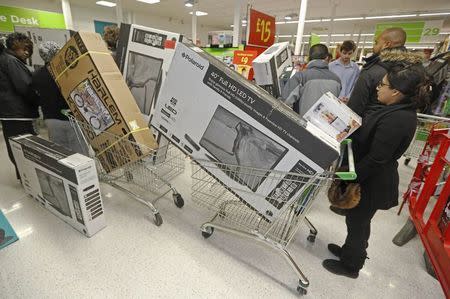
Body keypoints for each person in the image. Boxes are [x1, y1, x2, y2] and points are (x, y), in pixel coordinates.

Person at [322, 61, 432, 279]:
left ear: (396, 92)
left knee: (358, 223)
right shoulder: (392, 109)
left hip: (372, 181)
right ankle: (349, 251)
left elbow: (376, 160)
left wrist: (346, 177)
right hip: (368, 175)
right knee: (355, 220)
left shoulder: (398, 120)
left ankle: (351, 265)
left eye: (382, 85)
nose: (377, 88)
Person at [31, 41, 85, 154]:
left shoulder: (36, 75)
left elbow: (36, 95)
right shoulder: (66, 72)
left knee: (60, 153)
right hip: (71, 118)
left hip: (51, 119)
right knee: (80, 154)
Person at [0, 33, 38, 180]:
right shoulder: (12, 61)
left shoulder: (4, 59)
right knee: (26, 148)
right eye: (24, 49)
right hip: (19, 113)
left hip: (8, 112)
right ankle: (30, 179)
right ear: (14, 47)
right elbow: (25, 87)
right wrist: (37, 99)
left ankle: (25, 177)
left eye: (28, 49)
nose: (27, 52)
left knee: (15, 147)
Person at [347, 27, 408, 116]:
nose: (373, 46)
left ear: (387, 44)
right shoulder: (411, 70)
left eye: (376, 43)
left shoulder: (373, 71)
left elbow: (355, 107)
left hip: (368, 123)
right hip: (395, 123)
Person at [281, 44, 341, 117]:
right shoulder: (337, 80)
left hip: (303, 126)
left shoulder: (300, 76)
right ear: (327, 58)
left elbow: (285, 103)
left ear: (309, 58)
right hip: (327, 127)